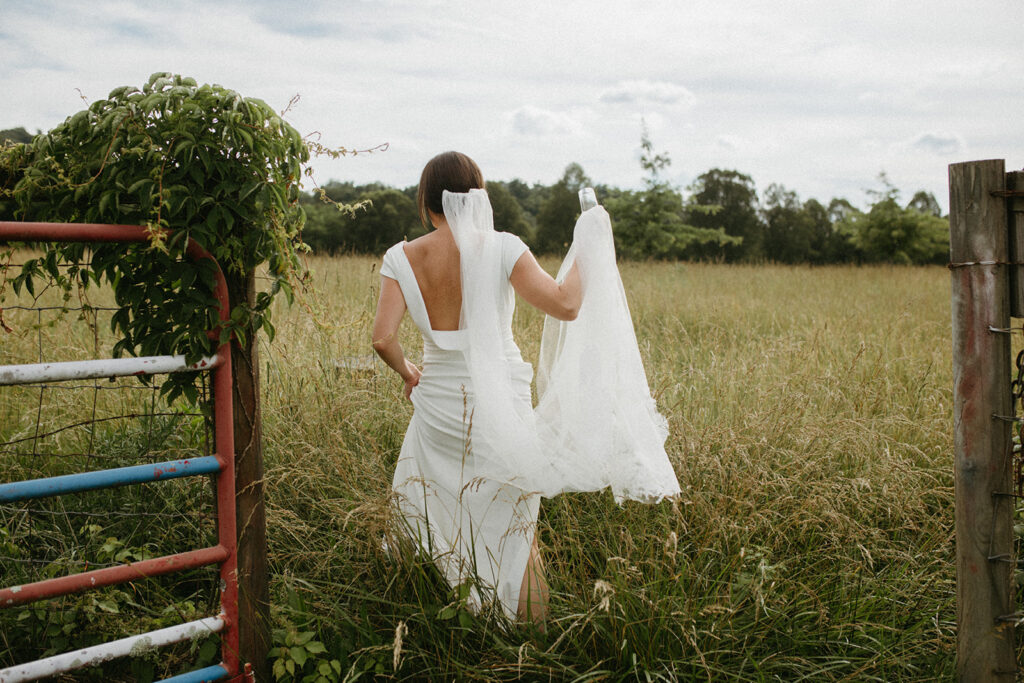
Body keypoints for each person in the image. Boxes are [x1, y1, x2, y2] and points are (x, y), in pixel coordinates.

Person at [371, 151, 581, 623]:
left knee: (430, 506)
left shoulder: (400, 258)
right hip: (499, 407)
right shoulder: (504, 247)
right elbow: (566, 305)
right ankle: (532, 636)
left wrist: (409, 374)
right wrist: (589, 245)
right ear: (478, 195)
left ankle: (425, 614)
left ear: (427, 203)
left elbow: (383, 339)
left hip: (438, 407)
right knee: (515, 521)